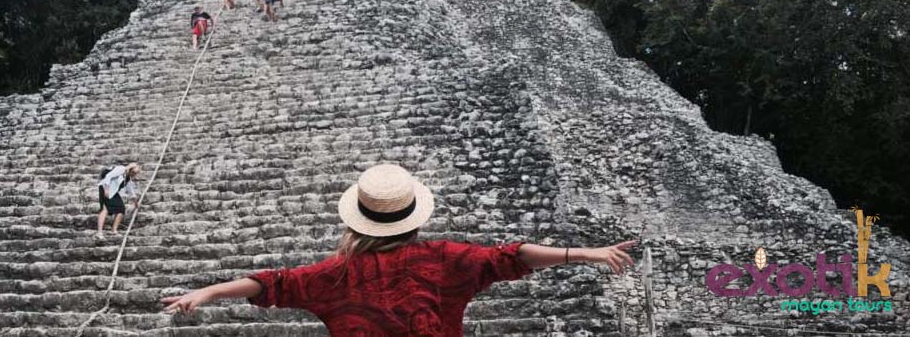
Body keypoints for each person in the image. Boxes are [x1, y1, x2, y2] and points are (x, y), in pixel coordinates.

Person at [162, 164, 636, 335]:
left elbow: (270, 283)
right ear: (412, 216)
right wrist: (587, 253)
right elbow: (515, 255)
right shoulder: (445, 259)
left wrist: (204, 292)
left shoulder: (335, 274)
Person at [96, 163, 140, 239]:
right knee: (105, 209)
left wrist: (136, 203)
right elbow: (108, 176)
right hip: (105, 188)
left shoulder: (128, 178)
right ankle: (99, 233)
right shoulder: (121, 169)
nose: (134, 174)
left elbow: (131, 191)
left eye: (135, 173)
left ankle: (114, 230)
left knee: (121, 209)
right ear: (130, 169)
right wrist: (106, 189)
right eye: (133, 172)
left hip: (113, 192)